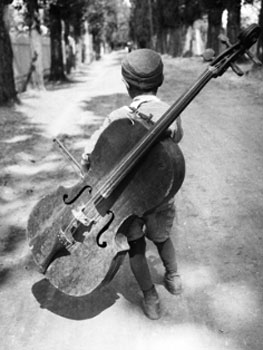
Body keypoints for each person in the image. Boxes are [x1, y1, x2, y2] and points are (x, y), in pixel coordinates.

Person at [81, 49, 184, 320]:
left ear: (126, 84)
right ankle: (173, 277)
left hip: (128, 200)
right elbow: (176, 144)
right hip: (161, 194)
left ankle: (151, 297)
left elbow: (93, 153)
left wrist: (86, 164)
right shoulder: (172, 113)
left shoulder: (118, 116)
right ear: (159, 82)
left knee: (136, 245)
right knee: (162, 237)